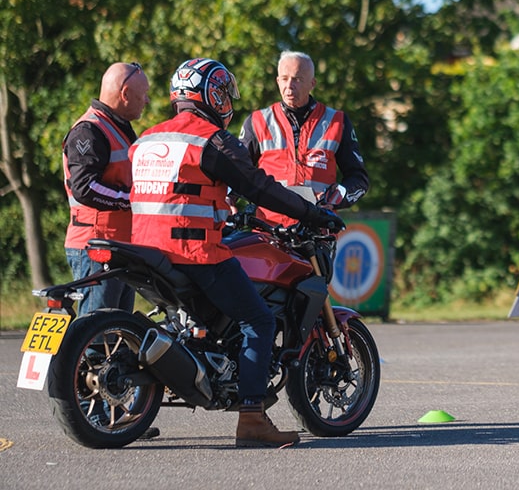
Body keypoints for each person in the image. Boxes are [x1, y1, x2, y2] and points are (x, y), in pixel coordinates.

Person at [129, 57, 343, 448]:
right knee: (258, 321)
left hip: (144, 250)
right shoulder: (213, 140)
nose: (227, 101)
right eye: (223, 93)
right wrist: (313, 213)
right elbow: (259, 188)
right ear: (212, 95)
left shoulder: (147, 139)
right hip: (194, 252)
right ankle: (252, 418)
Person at [238, 50, 369, 225]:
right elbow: (236, 170)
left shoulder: (337, 122)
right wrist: (229, 200)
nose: (289, 85)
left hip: (318, 227)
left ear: (312, 83)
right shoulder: (257, 121)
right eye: (284, 79)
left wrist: (337, 198)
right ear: (277, 81)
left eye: (297, 79)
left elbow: (359, 180)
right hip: (269, 227)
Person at [63, 62, 150, 316]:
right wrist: (131, 199)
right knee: (96, 330)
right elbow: (84, 187)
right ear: (125, 94)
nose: (146, 101)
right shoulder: (89, 130)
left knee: (117, 328)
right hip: (96, 245)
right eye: (143, 94)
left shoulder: (116, 127)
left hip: (116, 246)